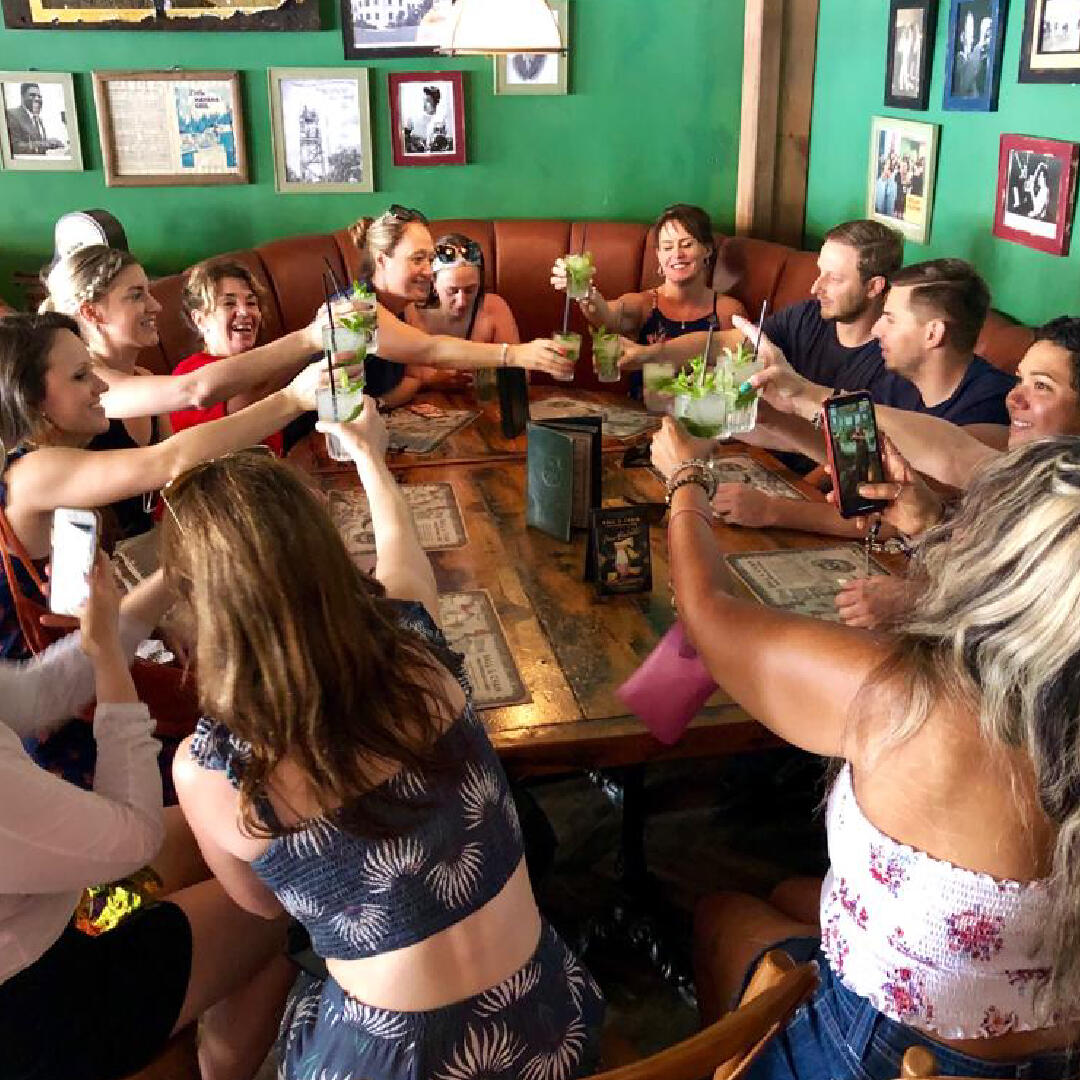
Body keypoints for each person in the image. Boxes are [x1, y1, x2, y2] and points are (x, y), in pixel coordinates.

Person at [168, 405, 604, 1080]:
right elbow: (407, 560)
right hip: (551, 1019)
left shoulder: (210, 770)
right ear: (325, 549)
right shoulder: (418, 654)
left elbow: (261, 907)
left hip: (400, 1061)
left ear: (200, 606)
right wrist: (371, 456)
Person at [652, 419, 1080, 1077]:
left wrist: (685, 482)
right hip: (1051, 1055)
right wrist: (924, 526)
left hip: (879, 1052)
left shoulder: (910, 701)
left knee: (721, 913)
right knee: (793, 893)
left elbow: (709, 613)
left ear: (1003, 571)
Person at [0, 559, 294, 1080]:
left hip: (43, 909)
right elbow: (136, 832)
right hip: (39, 1005)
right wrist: (112, 662)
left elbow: (37, 694)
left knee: (223, 831)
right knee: (279, 895)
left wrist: (174, 575)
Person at [710, 260, 1016, 539]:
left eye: (890, 319)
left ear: (933, 334)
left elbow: (900, 514)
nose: (876, 328)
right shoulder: (898, 381)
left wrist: (772, 510)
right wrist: (775, 415)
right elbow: (860, 462)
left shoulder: (993, 405)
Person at [347, 205, 571, 407]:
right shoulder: (357, 310)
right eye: (417, 259)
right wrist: (515, 354)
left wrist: (376, 406)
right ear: (382, 261)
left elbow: (402, 385)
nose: (428, 271)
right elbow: (431, 350)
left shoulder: (397, 308)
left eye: (429, 259)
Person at [552, 202, 747, 397]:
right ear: (659, 255)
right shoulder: (645, 304)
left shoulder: (727, 310)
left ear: (707, 249)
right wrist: (585, 293)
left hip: (700, 417)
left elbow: (742, 372)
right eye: (667, 247)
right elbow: (607, 318)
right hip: (644, 415)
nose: (677, 254)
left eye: (687, 244)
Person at [169, 256, 287, 456]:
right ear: (200, 319)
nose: (244, 312)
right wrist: (313, 341)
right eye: (229, 304)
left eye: (251, 303)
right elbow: (251, 399)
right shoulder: (191, 372)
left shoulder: (258, 362)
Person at [404, 232, 521, 389]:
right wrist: (434, 380)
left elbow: (521, 376)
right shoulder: (410, 312)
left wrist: (485, 379)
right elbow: (396, 381)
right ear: (433, 282)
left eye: (470, 290)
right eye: (452, 291)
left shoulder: (493, 308)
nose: (462, 302)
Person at [5, 82, 64, 156]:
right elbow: (14, 146)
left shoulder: (38, 120)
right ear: (22, 97)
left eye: (39, 96)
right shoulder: (12, 114)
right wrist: (46, 143)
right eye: (32, 95)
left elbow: (39, 144)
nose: (37, 99)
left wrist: (53, 143)